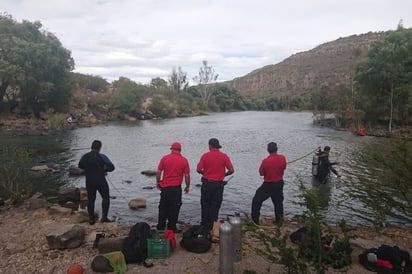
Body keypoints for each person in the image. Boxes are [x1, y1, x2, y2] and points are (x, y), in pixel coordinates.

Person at [196, 138, 234, 230]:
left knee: (205, 204)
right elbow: (231, 170)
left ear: (210, 146)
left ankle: (204, 225)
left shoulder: (205, 156)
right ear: (218, 146)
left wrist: (203, 173)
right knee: (215, 205)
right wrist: (224, 174)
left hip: (207, 184)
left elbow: (198, 169)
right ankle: (212, 226)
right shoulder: (224, 156)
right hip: (218, 185)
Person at [156, 142, 190, 233]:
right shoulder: (184, 160)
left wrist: (158, 182)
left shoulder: (165, 158)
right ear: (180, 150)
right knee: (175, 208)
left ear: (172, 149)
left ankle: (160, 227)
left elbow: (159, 172)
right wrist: (187, 186)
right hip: (176, 189)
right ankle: (171, 227)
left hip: (165, 188)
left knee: (163, 207)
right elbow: (187, 175)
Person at [78, 140, 115, 224]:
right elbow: (112, 167)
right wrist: (104, 169)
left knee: (91, 199)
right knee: (105, 197)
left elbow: (80, 165)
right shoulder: (102, 156)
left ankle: (91, 218)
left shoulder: (84, 156)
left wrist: (88, 168)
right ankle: (104, 217)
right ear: (99, 148)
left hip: (89, 181)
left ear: (91, 147)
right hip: (100, 180)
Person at [251, 142, 286, 226]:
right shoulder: (282, 158)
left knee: (256, 200)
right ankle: (279, 221)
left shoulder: (266, 161)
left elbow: (261, 173)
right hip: (279, 183)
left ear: (268, 150)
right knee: (278, 203)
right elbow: (284, 167)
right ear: (277, 149)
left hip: (269, 184)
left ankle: (255, 220)